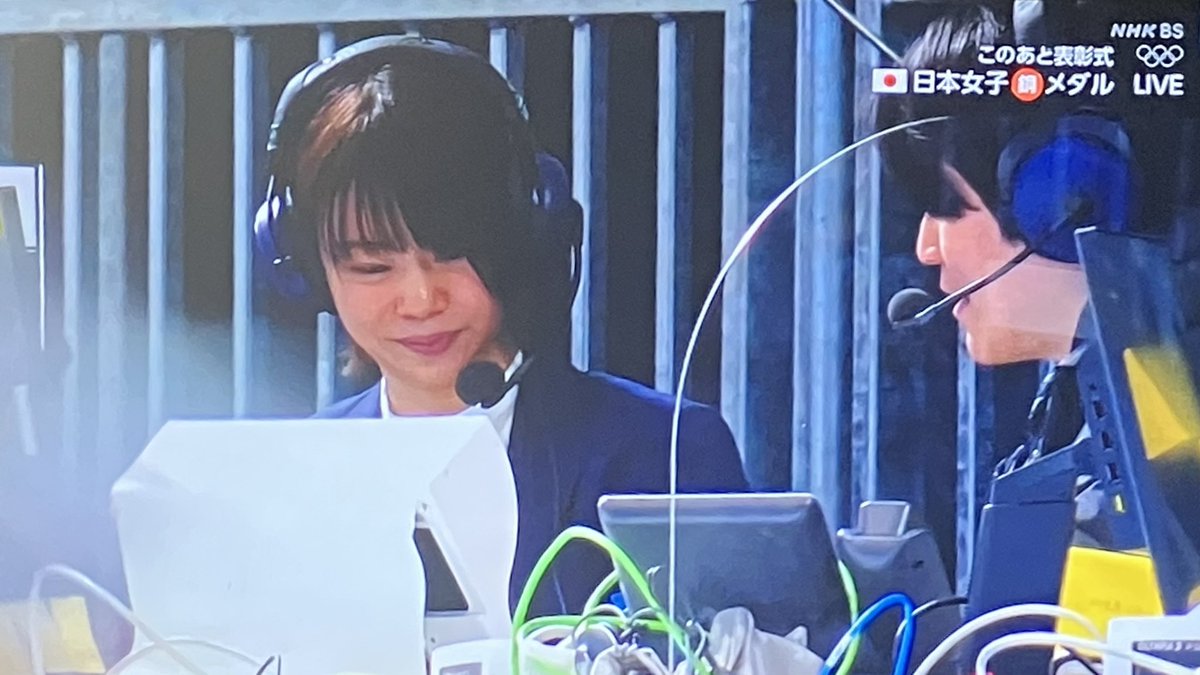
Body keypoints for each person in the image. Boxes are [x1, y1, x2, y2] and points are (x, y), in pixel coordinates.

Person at [256, 35, 748, 618]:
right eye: (373, 267)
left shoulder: (664, 451)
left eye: (453, 254)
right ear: (309, 272)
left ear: (525, 241)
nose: (421, 299)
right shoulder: (292, 477)